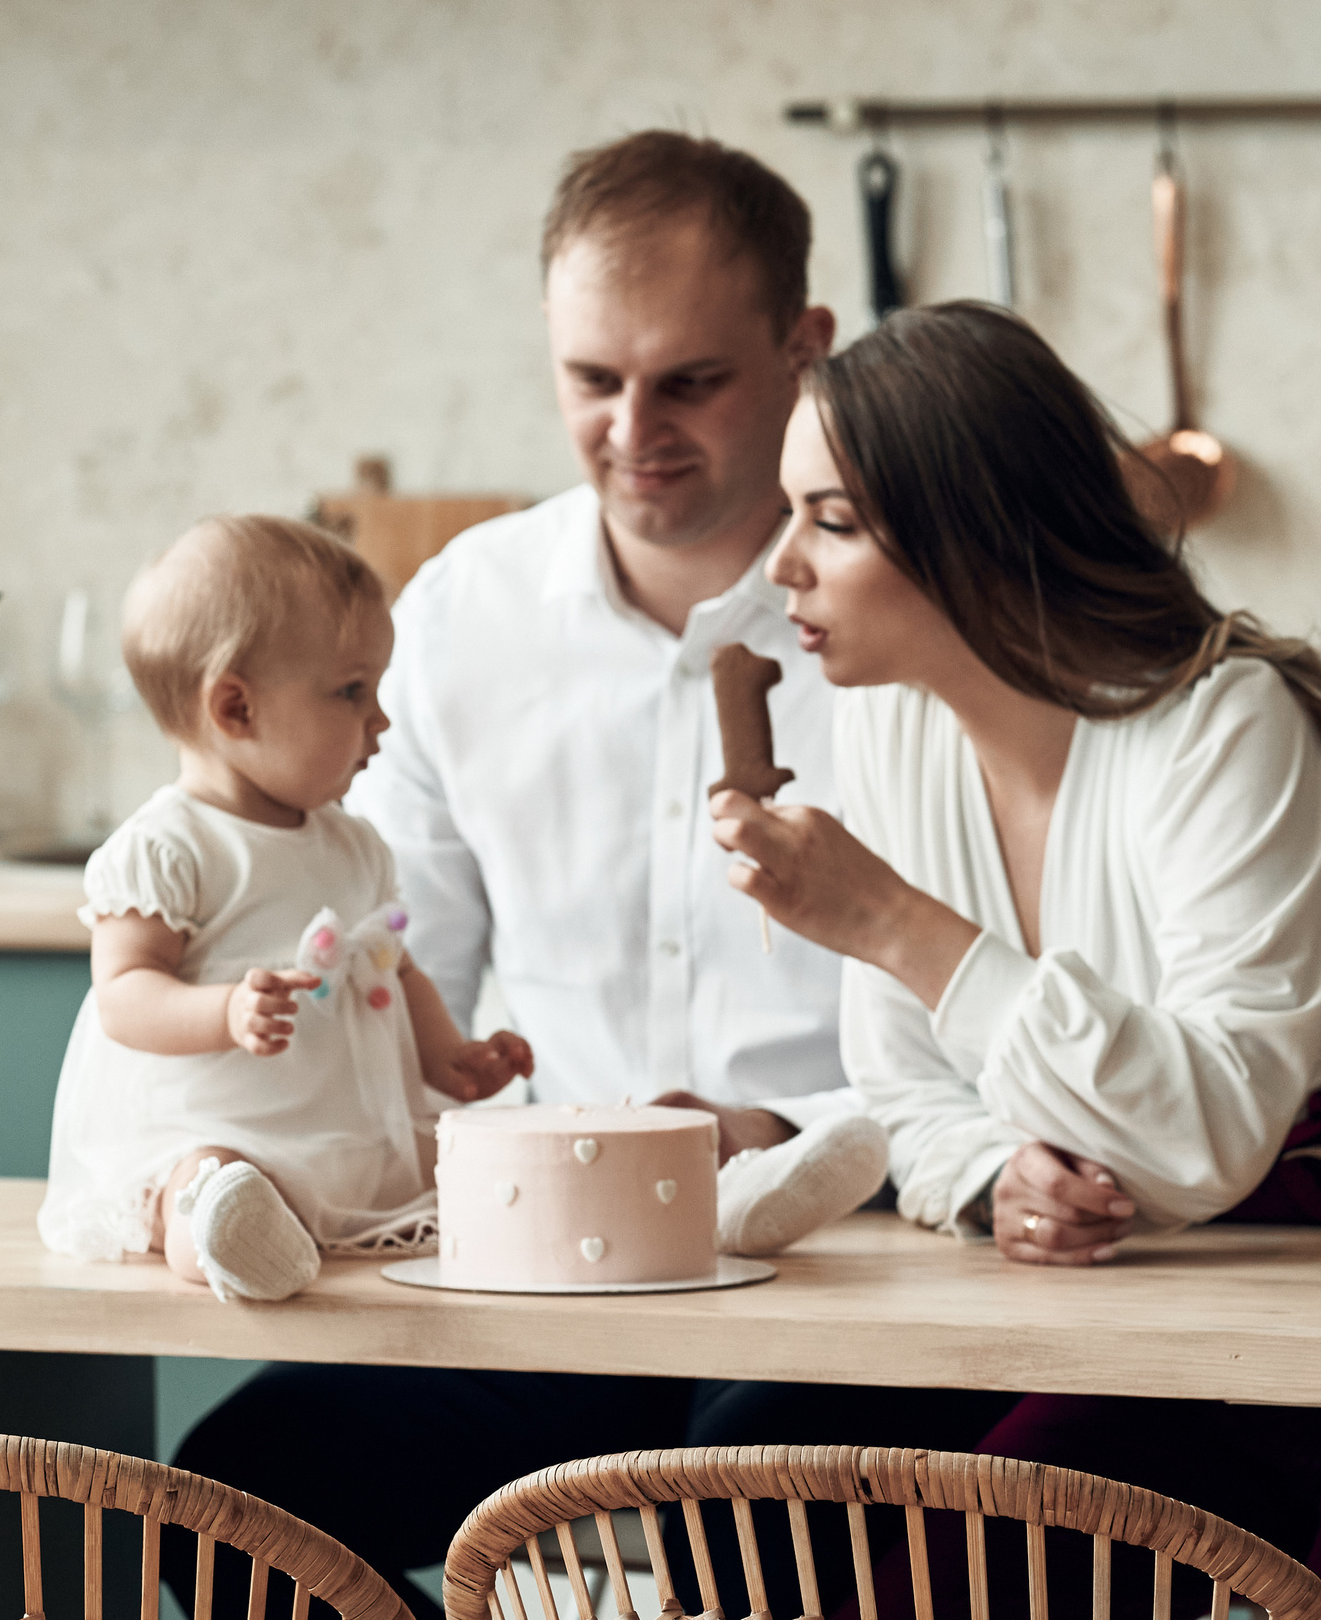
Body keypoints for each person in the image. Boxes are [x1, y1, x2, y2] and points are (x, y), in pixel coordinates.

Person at [167, 137, 1005, 1620]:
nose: (634, 430)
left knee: (731, 1521)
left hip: (852, 1263)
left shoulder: (914, 629)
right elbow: (390, 964)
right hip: (541, 1266)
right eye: (592, 381)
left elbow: (999, 1011)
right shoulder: (459, 618)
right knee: (229, 1508)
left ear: (805, 350)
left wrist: (772, 1129)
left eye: (690, 381)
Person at [711, 303, 1321, 1620]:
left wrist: (894, 921)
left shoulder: (1226, 724)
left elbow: (1215, 1130)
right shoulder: (894, 735)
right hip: (1172, 1300)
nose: (780, 564)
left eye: (830, 520)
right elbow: (903, 1087)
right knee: (943, 1584)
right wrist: (996, 1172)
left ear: (975, 535)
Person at [36, 514, 533, 1302]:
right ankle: (227, 1239)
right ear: (236, 708)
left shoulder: (356, 846)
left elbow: (393, 971)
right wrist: (223, 1012)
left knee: (484, 1161)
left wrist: (450, 1058)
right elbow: (124, 996)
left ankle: (274, 1225)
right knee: (204, 1178)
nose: (381, 720)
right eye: (351, 691)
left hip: (340, 1132)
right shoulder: (169, 847)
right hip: (215, 1126)